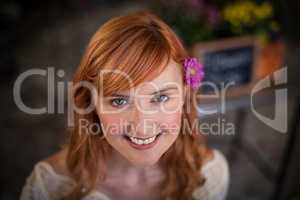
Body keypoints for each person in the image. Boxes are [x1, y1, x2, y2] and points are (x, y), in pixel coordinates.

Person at [20, 11, 229, 200]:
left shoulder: (209, 178)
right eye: (119, 101)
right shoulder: (48, 188)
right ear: (91, 104)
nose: (142, 126)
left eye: (161, 98)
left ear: (184, 95)